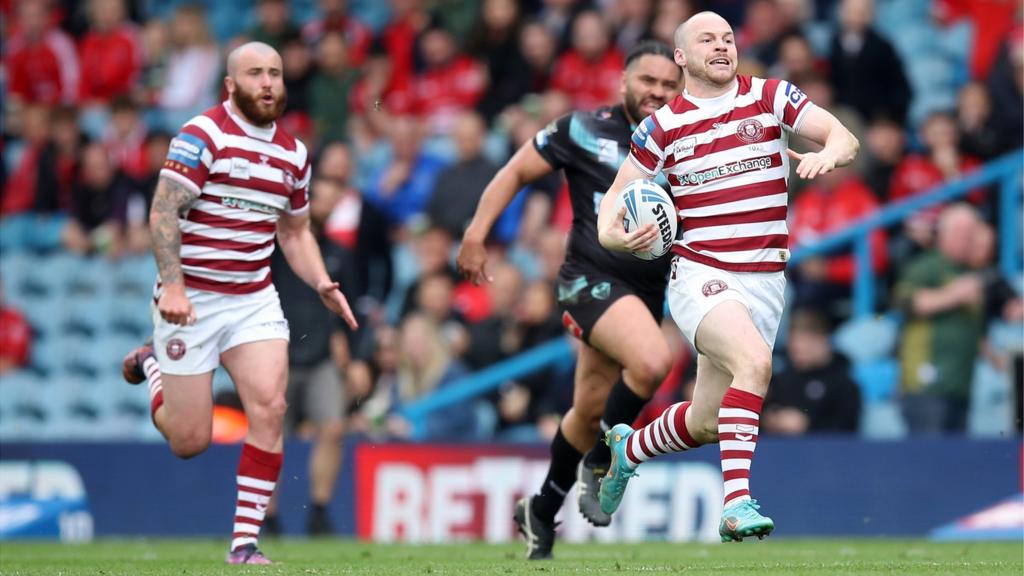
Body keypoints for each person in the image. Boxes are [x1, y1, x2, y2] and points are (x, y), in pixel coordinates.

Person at [595, 11, 859, 543]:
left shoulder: (769, 97)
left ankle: (630, 448)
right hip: (701, 275)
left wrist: (828, 154)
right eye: (706, 40)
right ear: (681, 57)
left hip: (765, 282)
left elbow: (844, 137)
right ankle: (736, 502)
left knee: (709, 421)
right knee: (755, 363)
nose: (720, 46)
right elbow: (611, 212)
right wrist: (620, 238)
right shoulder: (661, 128)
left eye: (727, 38)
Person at [119, 42, 358, 564]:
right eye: (255, 73)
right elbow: (163, 212)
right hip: (193, 298)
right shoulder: (203, 135)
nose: (268, 82)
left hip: (253, 298)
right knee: (189, 440)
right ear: (231, 84)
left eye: (274, 72)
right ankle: (154, 364)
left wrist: (321, 282)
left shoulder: (294, 153)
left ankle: (244, 546)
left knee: (271, 407)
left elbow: (295, 232)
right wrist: (174, 285)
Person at [456, 40, 682, 559]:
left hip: (646, 291)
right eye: (649, 81)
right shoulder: (580, 129)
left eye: (670, 85)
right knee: (651, 362)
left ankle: (540, 508)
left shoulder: (684, 142)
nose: (658, 92)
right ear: (623, 81)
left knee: (588, 409)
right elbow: (514, 171)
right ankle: (602, 459)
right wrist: (476, 233)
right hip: (588, 280)